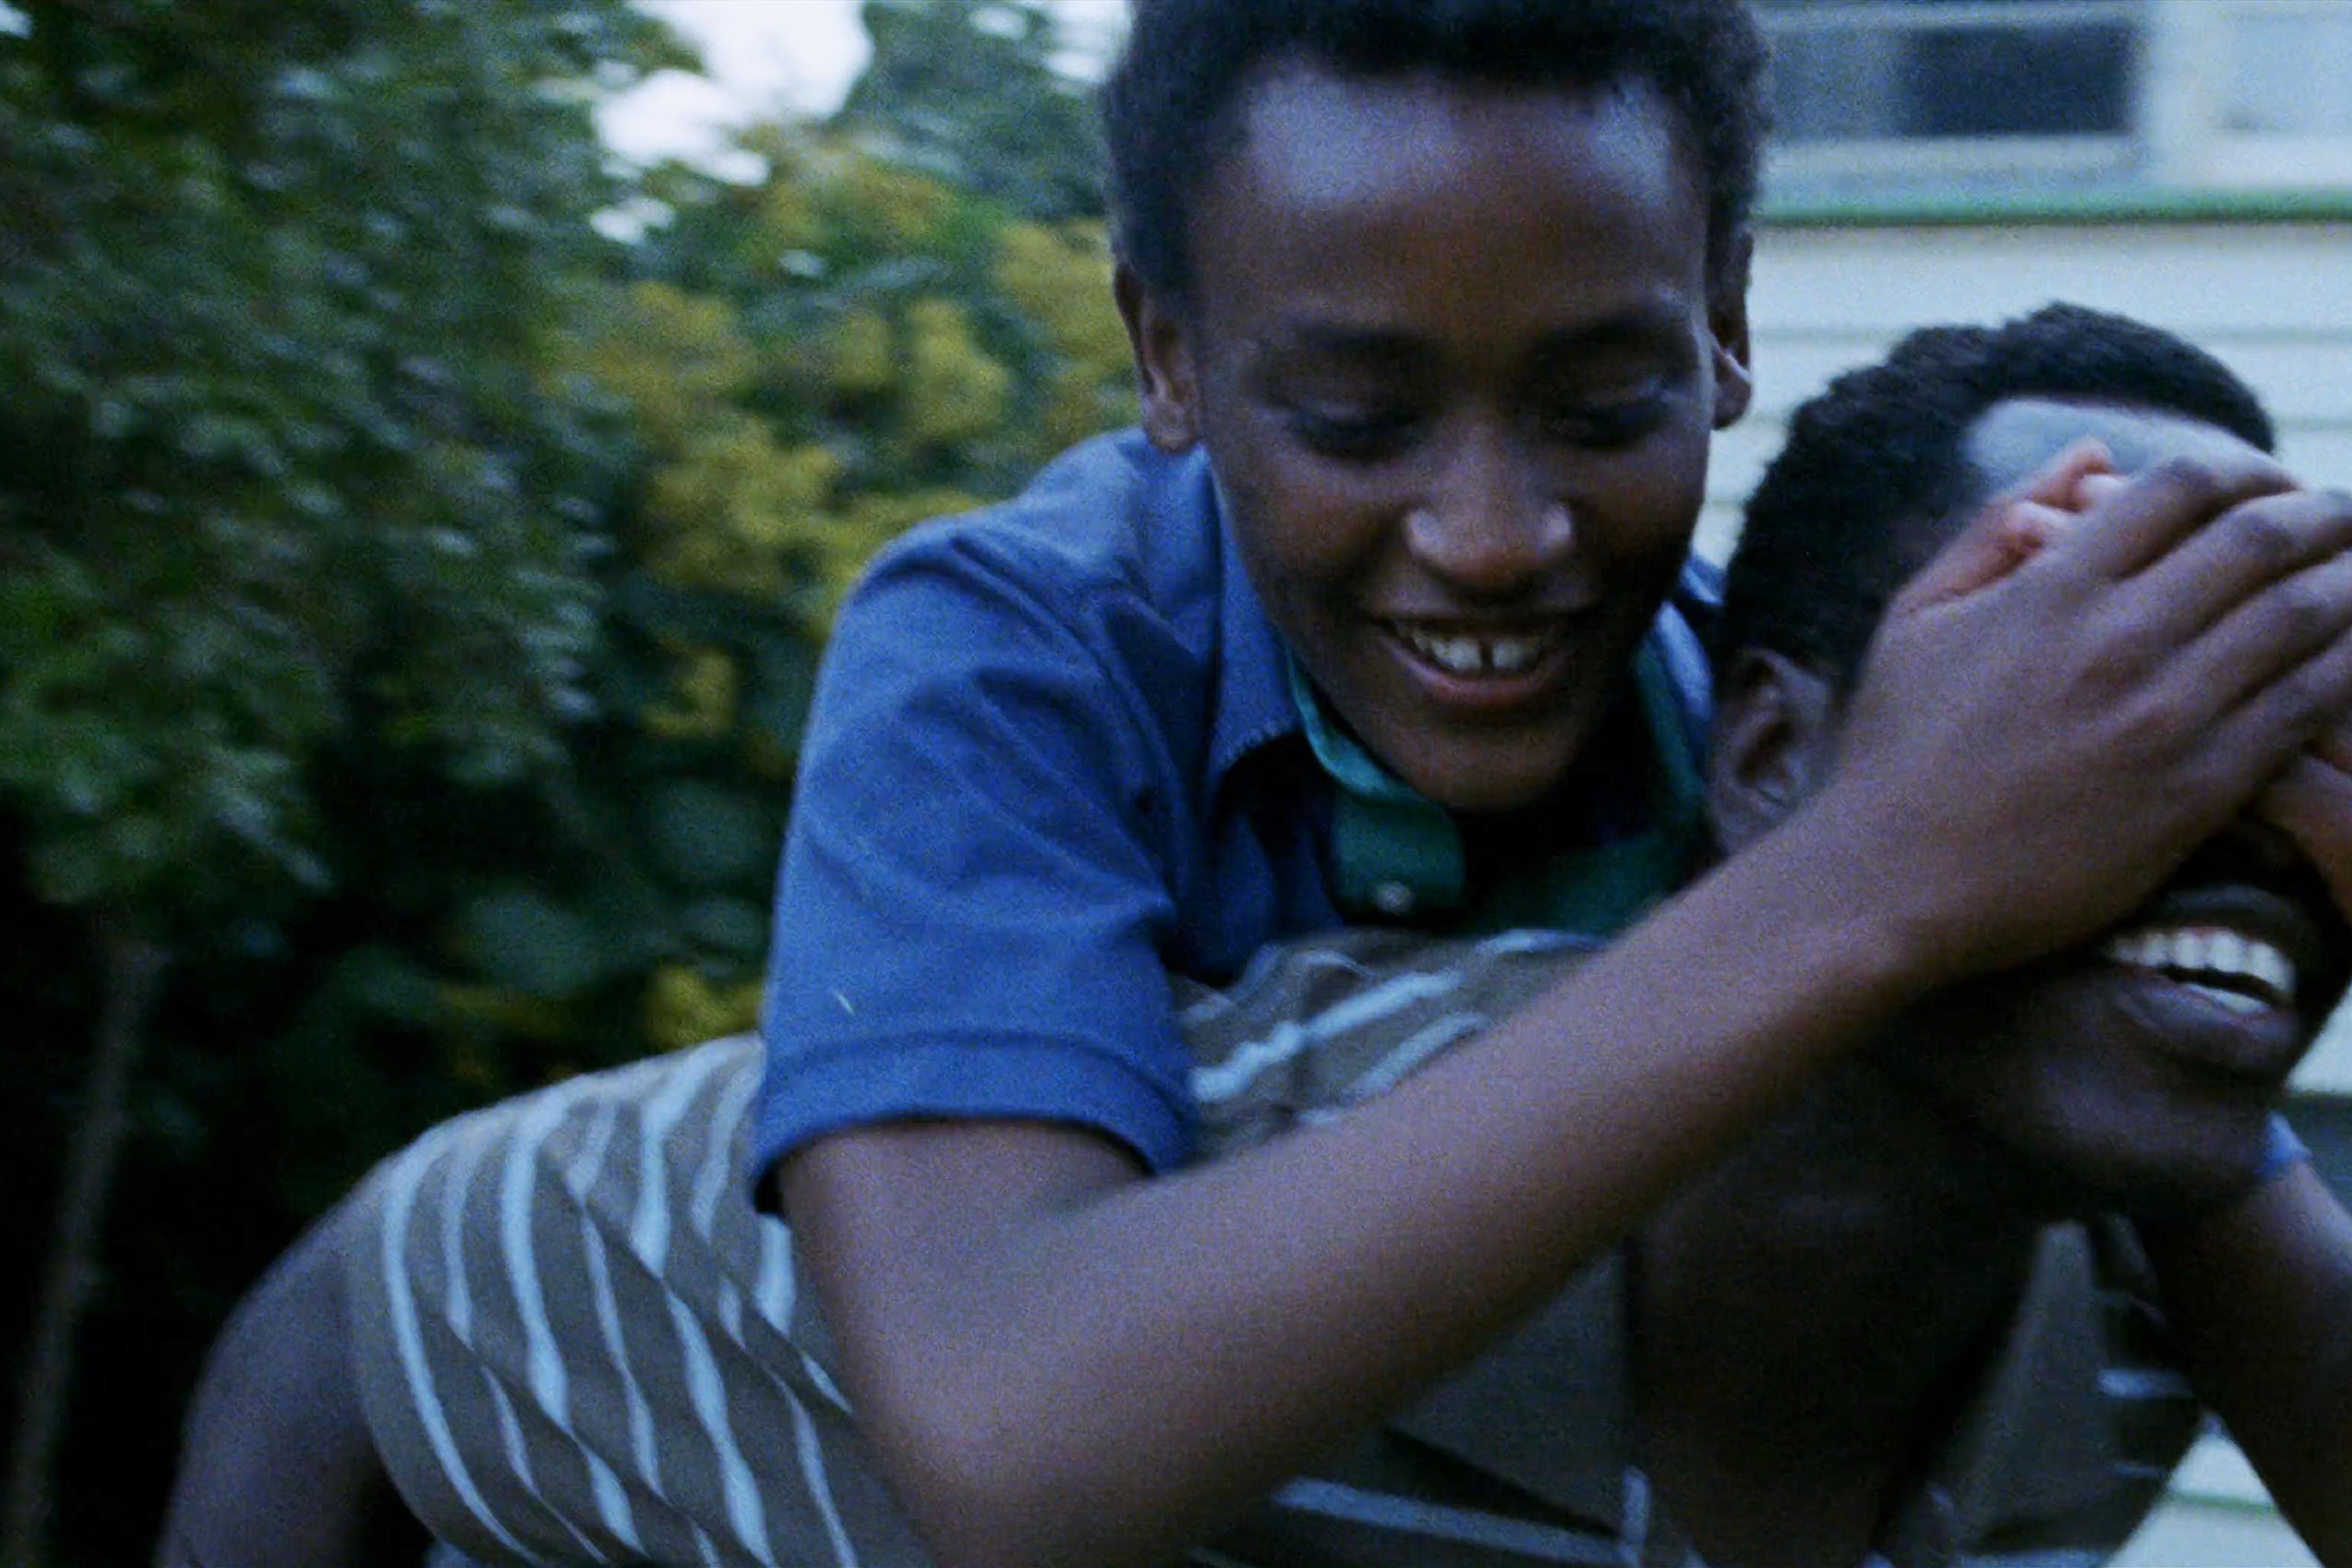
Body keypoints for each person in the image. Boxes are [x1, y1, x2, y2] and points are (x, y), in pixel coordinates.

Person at [159, 303, 2352, 1568]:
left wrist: (2184, 944)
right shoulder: (1224, 1194)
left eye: (2290, 702)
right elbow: (1010, 1415)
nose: (2172, 770)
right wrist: (1939, 875)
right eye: (2094, 688)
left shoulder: (2148, 1319)